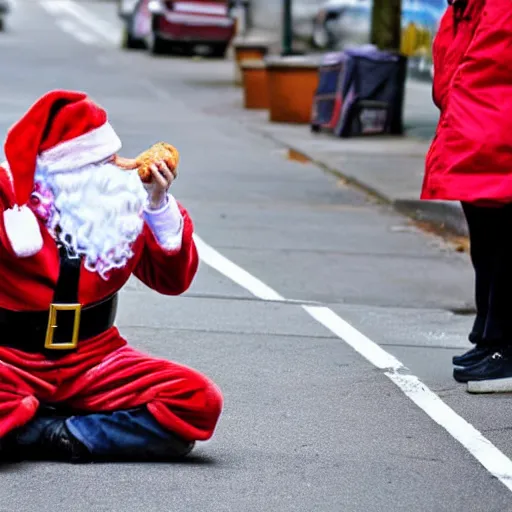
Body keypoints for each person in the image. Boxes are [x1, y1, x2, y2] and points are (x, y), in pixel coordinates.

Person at [0, 90, 223, 462]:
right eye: (100, 162)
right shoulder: (12, 212)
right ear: (62, 173)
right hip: (12, 359)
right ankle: (32, 421)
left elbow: (172, 281)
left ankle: (54, 433)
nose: (118, 168)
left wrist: (158, 204)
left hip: (95, 360)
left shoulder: (116, 209)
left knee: (197, 401)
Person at [422, 0, 512, 392]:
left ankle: (503, 346)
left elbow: (491, 64)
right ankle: (490, 334)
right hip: (478, 118)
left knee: (503, 237)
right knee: (489, 236)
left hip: (490, 121)